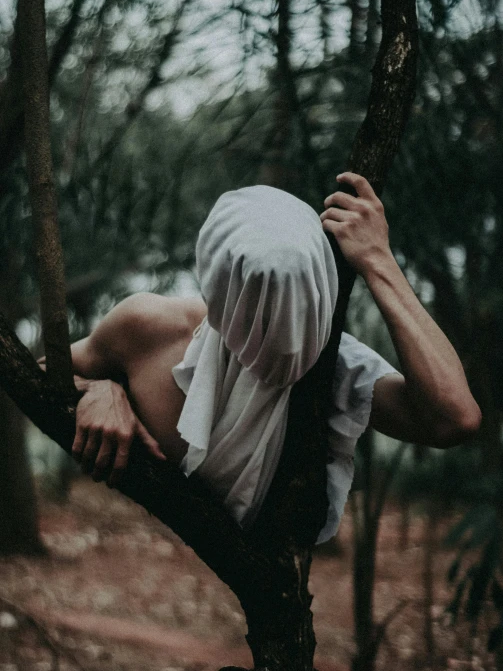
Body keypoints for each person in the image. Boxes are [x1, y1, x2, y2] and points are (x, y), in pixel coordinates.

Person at [63, 173, 482, 543]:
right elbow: (40, 372)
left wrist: (377, 260)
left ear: (322, 289)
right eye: (255, 300)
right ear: (219, 287)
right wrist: (97, 390)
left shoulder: (331, 368)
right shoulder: (149, 329)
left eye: (294, 303)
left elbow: (454, 418)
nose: (277, 331)